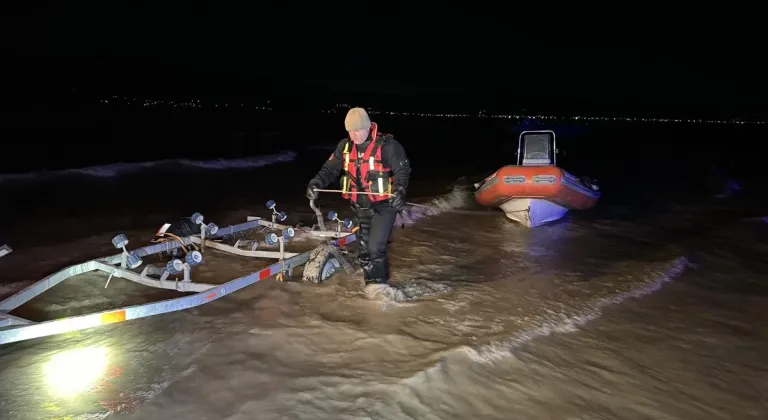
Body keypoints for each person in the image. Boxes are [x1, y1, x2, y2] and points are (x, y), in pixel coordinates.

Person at [306, 107, 411, 284]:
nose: (353, 135)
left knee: (375, 248)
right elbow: (330, 168)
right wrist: (316, 182)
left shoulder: (388, 146)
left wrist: (399, 189)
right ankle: (368, 283)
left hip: (384, 206)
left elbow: (402, 170)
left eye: (356, 130)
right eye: (349, 131)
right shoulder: (345, 146)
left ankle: (378, 287)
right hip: (360, 206)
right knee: (363, 250)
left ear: (368, 127)